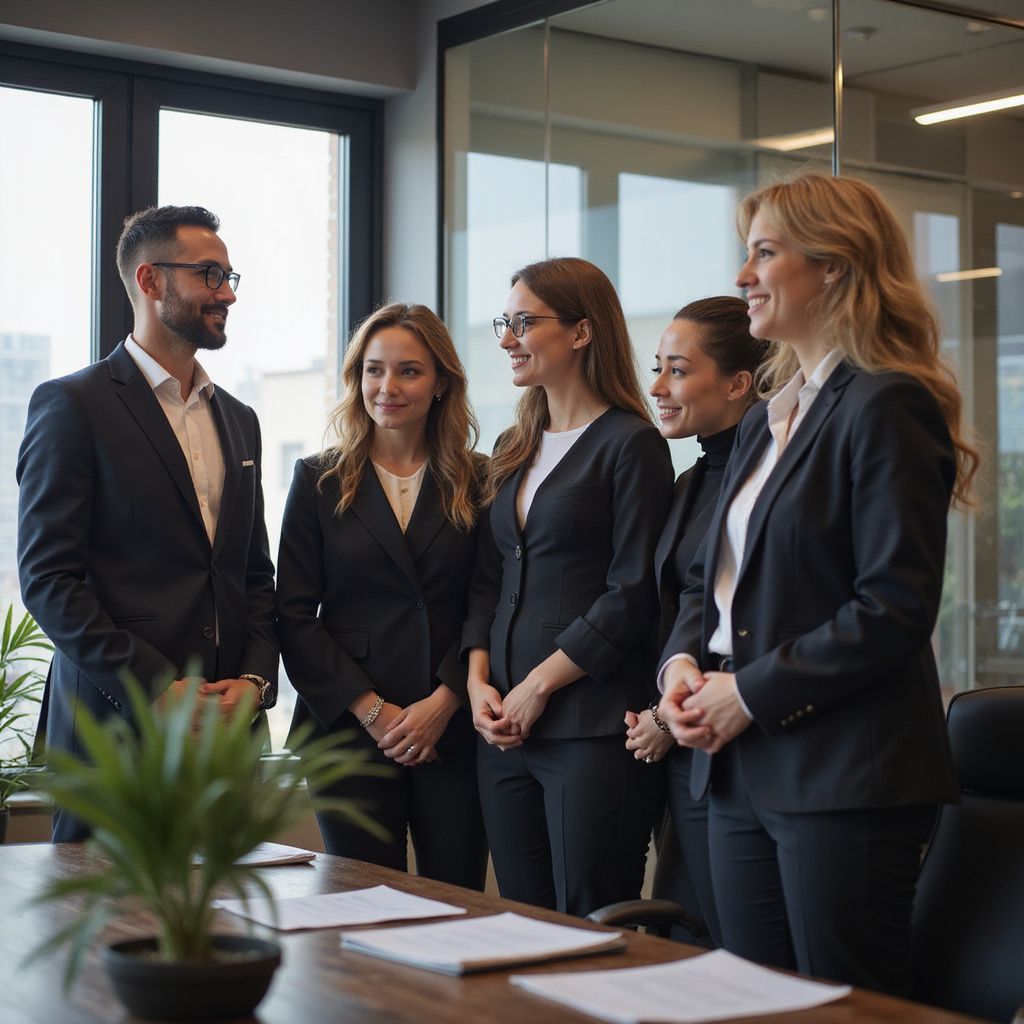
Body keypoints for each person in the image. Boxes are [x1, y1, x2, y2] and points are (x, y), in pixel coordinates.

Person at [658, 173, 979, 994]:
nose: (742, 276)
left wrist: (748, 692)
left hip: (844, 776)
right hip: (736, 769)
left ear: (833, 267)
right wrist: (682, 670)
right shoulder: (773, 415)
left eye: (764, 253)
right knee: (756, 1005)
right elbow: (708, 582)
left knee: (847, 1010)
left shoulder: (885, 404)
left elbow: (893, 608)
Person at [17, 205, 278, 843]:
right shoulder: (72, 405)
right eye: (210, 274)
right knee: (110, 934)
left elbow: (253, 575)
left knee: (223, 933)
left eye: (230, 274)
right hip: (114, 735)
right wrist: (157, 689)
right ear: (150, 281)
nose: (228, 293)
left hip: (226, 740)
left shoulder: (240, 419)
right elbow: (50, 580)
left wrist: (254, 682)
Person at [463, 256, 673, 916]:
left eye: (524, 322)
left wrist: (536, 687)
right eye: (506, 321)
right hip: (501, 732)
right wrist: (478, 684)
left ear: (582, 332)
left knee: (589, 920)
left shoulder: (632, 444)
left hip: (589, 732)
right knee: (520, 923)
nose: (506, 339)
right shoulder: (513, 444)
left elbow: (632, 592)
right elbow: (486, 582)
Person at [277, 303, 487, 888]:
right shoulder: (317, 479)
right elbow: (293, 615)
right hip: (347, 732)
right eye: (373, 370)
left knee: (456, 900)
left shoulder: (481, 478)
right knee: (361, 905)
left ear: (441, 381)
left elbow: (487, 601)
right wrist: (374, 712)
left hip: (453, 728)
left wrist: (444, 703)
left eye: (408, 371)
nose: (387, 388)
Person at [624, 296, 768, 946]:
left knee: (741, 954)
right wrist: (664, 703)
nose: (657, 386)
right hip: (688, 743)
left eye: (677, 371)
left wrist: (666, 718)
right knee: (689, 944)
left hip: (739, 743)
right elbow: (686, 604)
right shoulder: (689, 479)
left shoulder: (768, 475)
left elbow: (746, 615)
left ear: (738, 383)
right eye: (658, 368)